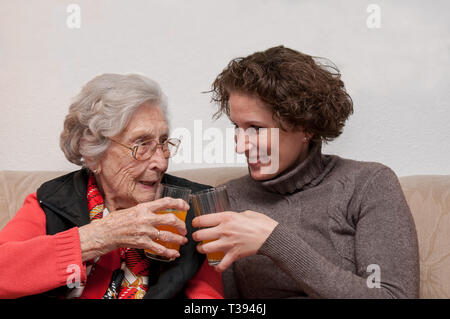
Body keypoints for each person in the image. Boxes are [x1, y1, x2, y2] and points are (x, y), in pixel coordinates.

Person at [192, 46, 420, 298]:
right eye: (237, 127)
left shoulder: (368, 185)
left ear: (305, 127)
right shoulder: (228, 200)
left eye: (256, 128)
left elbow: (392, 296)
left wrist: (275, 241)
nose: (239, 145)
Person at [0, 73, 223, 299]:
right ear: (93, 153)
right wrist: (101, 236)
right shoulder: (52, 201)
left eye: (163, 142)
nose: (161, 162)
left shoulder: (192, 205)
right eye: (141, 144)